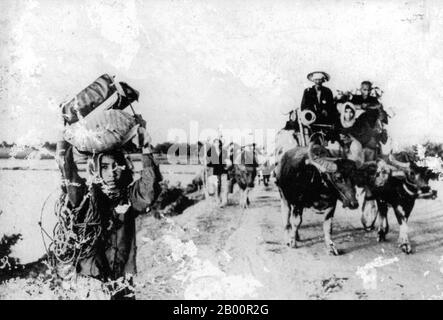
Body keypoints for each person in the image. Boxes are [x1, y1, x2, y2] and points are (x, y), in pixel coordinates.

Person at [55, 119, 162, 299]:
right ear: (96, 169)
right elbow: (68, 173)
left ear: (124, 168)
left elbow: (148, 189)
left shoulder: (128, 196)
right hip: (92, 280)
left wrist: (145, 148)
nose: (111, 172)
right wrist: (63, 140)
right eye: (104, 167)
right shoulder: (85, 197)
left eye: (116, 166)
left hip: (121, 278)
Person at [300, 71, 339, 142]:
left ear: (323, 80)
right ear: (313, 80)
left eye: (320, 80)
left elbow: (331, 107)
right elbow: (303, 106)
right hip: (312, 121)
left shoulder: (328, 91)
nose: (318, 82)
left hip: (325, 120)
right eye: (316, 80)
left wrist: (326, 110)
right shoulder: (308, 91)